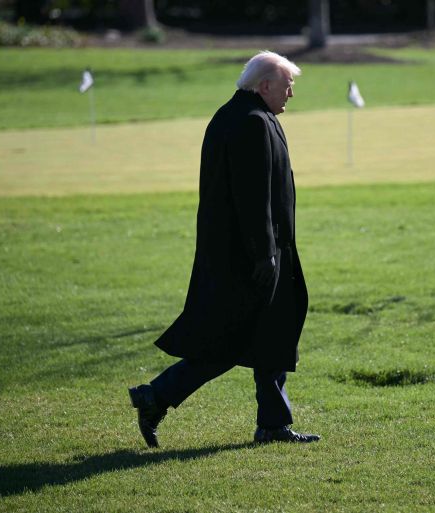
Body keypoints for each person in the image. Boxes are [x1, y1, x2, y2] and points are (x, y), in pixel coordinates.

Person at [129, 51, 319, 447]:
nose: (291, 93)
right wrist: (265, 253)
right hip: (254, 256)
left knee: (269, 334)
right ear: (264, 85)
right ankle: (156, 396)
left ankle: (273, 424)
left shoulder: (237, 115)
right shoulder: (251, 123)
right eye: (287, 86)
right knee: (230, 339)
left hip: (250, 252)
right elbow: (252, 199)